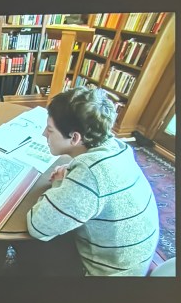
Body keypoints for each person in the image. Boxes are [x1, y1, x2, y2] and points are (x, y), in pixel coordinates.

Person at [26, 86, 159, 276]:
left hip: (106, 276)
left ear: (75, 137)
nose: (44, 134)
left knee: (29, 244)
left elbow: (37, 225)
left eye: (50, 130)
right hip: (133, 262)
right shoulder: (116, 147)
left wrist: (59, 185)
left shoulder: (90, 176)